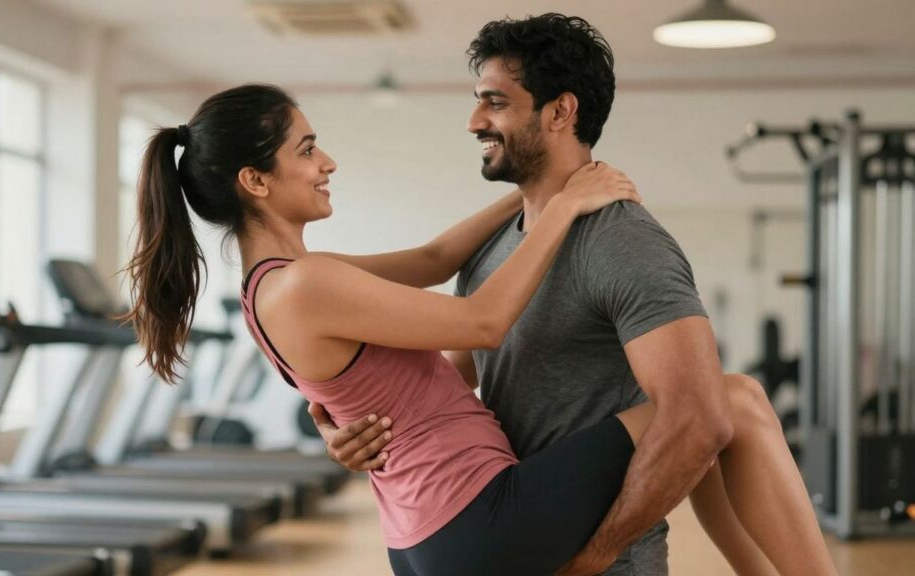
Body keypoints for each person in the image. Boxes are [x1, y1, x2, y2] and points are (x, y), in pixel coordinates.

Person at [121, 79, 835, 575]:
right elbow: (484, 322)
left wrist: (548, 183)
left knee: (702, 428)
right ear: (256, 180)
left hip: (432, 535)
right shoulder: (308, 283)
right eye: (307, 149)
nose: (327, 161)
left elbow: (437, 258)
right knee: (724, 400)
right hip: (473, 525)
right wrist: (560, 211)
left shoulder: (279, 286)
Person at [305, 13, 837, 576]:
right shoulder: (492, 248)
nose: (473, 121)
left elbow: (698, 422)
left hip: (601, 560)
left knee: (732, 398)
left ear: (560, 111)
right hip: (509, 530)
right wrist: (356, 431)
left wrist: (597, 555)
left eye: (495, 102)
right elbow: (452, 384)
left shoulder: (621, 241)